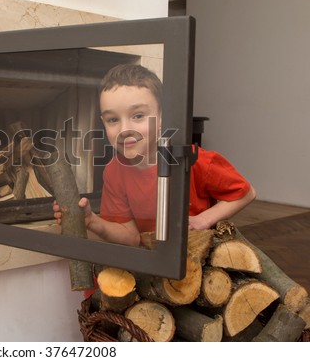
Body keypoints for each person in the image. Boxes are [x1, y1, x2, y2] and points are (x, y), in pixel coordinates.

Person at [53, 63, 256, 246]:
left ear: (162, 118)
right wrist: (93, 222)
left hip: (195, 258)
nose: (125, 129)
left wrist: (203, 219)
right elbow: (131, 237)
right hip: (151, 262)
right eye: (113, 119)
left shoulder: (195, 159)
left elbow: (246, 193)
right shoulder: (114, 171)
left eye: (138, 116)